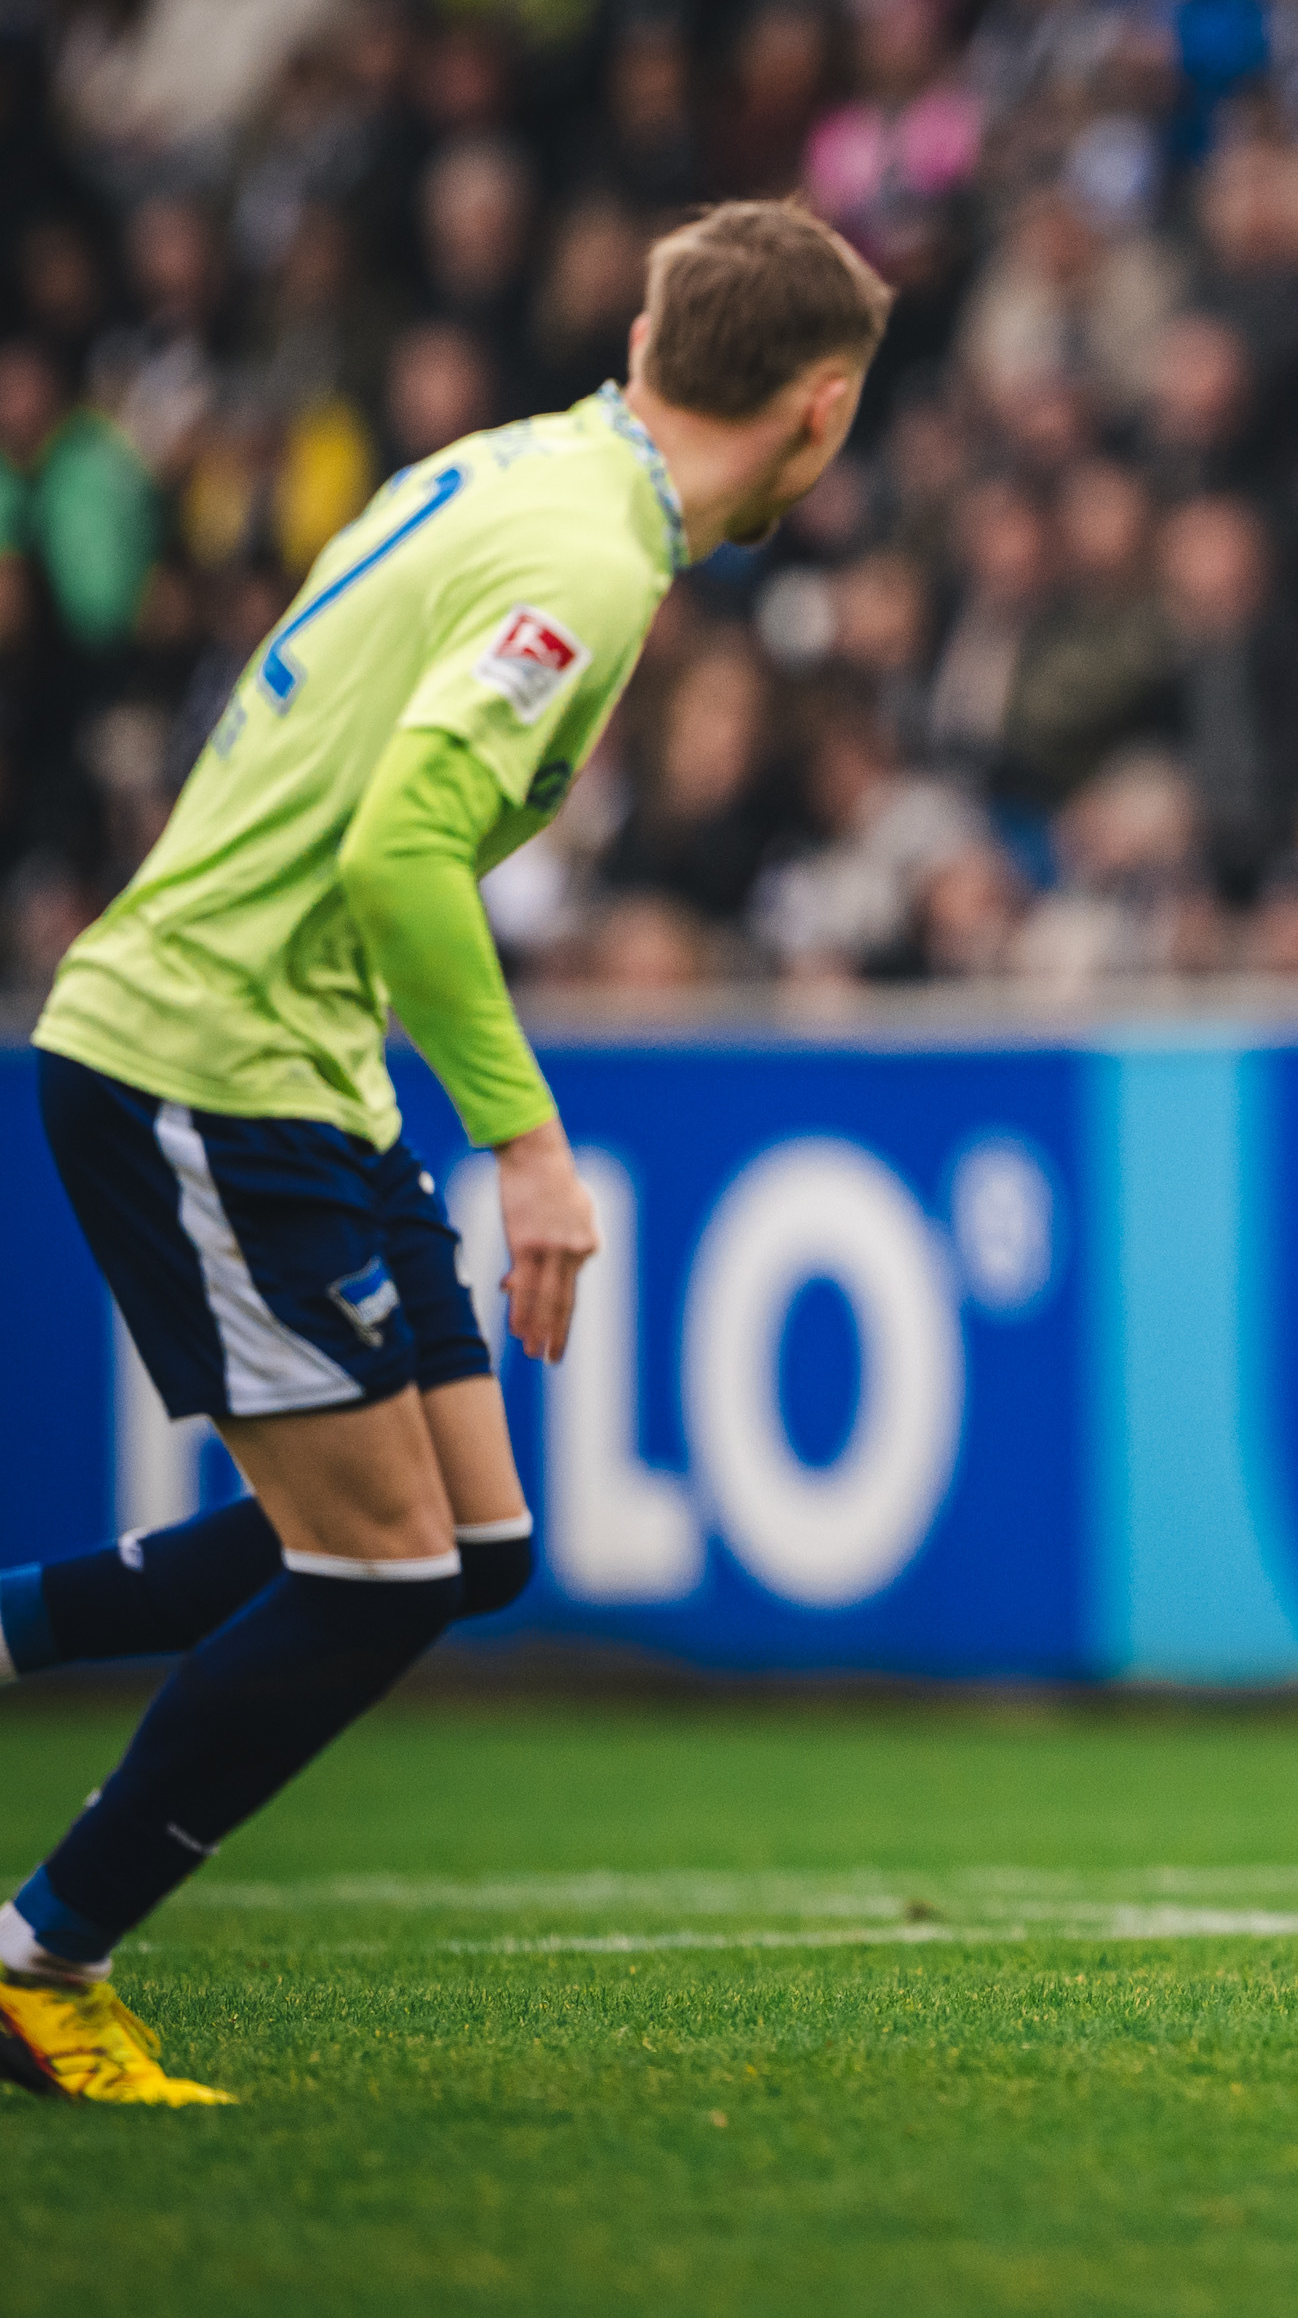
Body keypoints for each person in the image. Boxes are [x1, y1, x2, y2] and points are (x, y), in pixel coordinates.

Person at [0, 201, 889, 2104]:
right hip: (207, 1060)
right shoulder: (593, 557)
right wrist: (532, 1148)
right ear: (820, 411)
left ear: (648, 330)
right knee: (383, 1572)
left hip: (296, 1062)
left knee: (469, 1547)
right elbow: (403, 841)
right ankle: (36, 1956)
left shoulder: (525, 466)